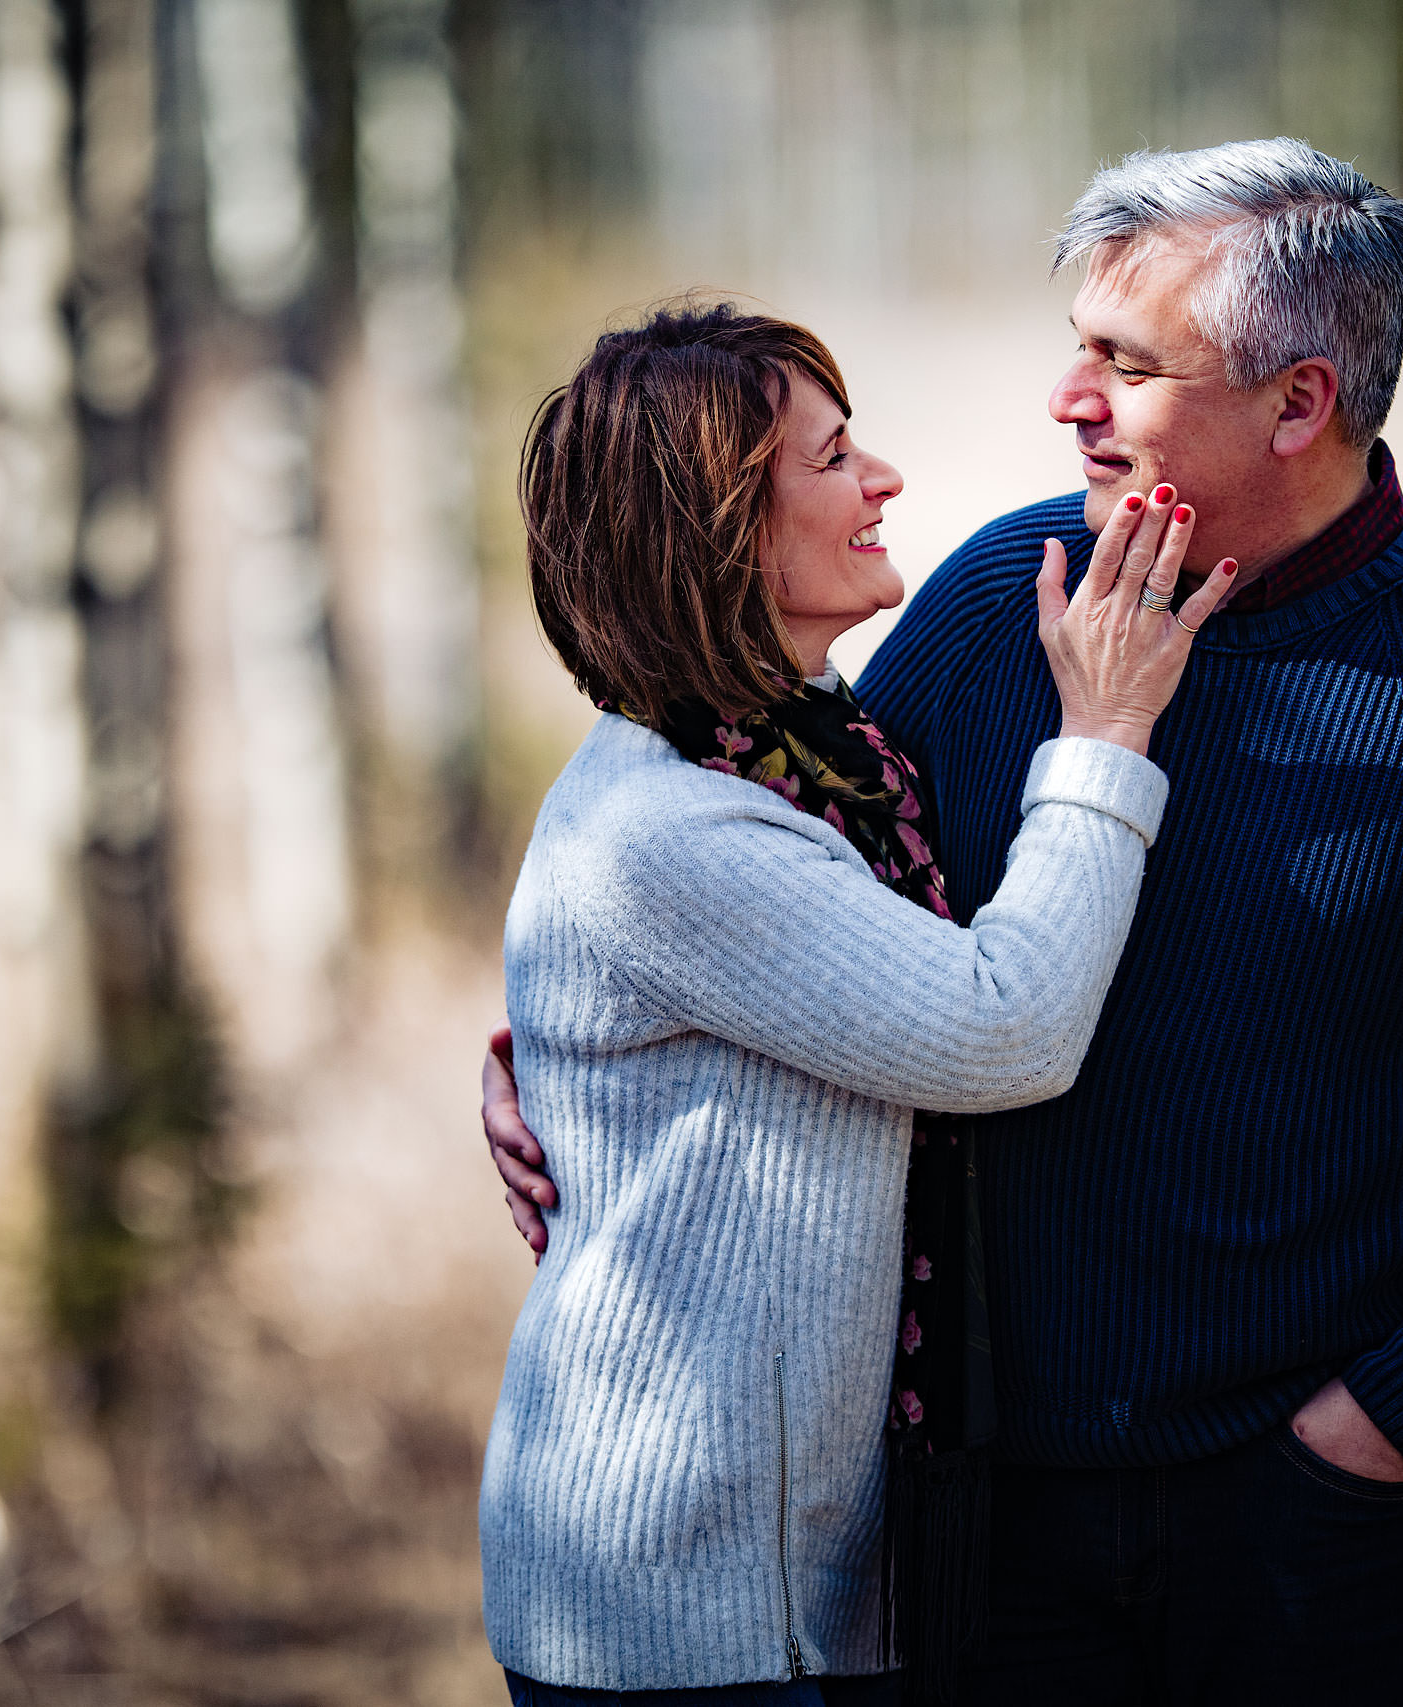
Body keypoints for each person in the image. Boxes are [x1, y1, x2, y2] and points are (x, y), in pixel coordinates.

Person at [484, 140, 1403, 1704]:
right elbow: (804, 901)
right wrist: (560, 1048)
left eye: (1126, 363)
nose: (1069, 398)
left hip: (1298, 1541)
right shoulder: (1000, 601)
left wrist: (1388, 1426)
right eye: (1079, 345)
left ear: (1299, 404)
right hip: (968, 1532)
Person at [481, 301, 1238, 1706]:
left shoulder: (818, 756)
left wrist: (543, 1051)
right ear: (722, 533)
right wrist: (1110, 736)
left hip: (791, 1581)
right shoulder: (681, 827)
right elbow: (1001, 1027)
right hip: (680, 1603)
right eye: (832, 461)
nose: (882, 480)